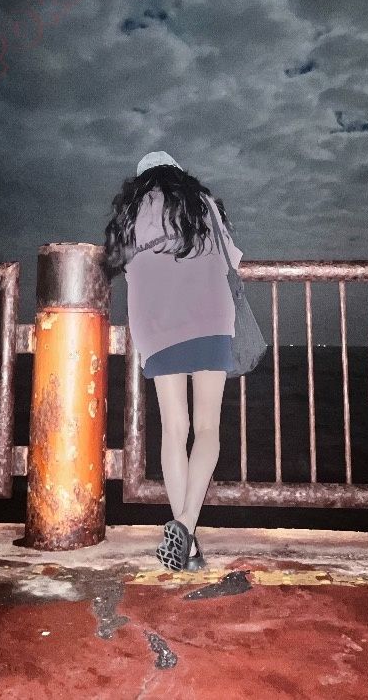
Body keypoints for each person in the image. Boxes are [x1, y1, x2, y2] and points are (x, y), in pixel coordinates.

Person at [103, 150, 244, 572]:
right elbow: (233, 259)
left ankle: (188, 545)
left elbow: (121, 267)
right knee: (207, 429)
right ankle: (184, 526)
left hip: (159, 325)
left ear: (141, 181)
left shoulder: (131, 215)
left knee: (174, 430)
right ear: (179, 175)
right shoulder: (203, 204)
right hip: (210, 318)